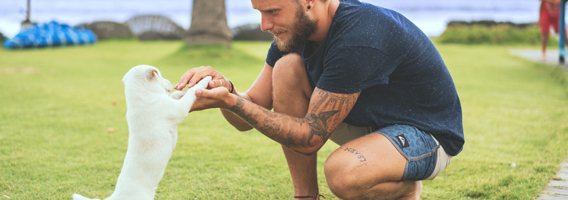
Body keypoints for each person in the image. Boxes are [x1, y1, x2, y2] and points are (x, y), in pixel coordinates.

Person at [175, 0, 464, 199]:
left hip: (427, 135)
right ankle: (305, 196)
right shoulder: (293, 33)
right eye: (259, 12)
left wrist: (232, 102)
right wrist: (223, 90)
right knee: (287, 68)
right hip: (367, 124)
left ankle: (406, 191)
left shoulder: (359, 35)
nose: (264, 24)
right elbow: (251, 108)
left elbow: (311, 137)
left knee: (342, 174)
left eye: (273, 11)